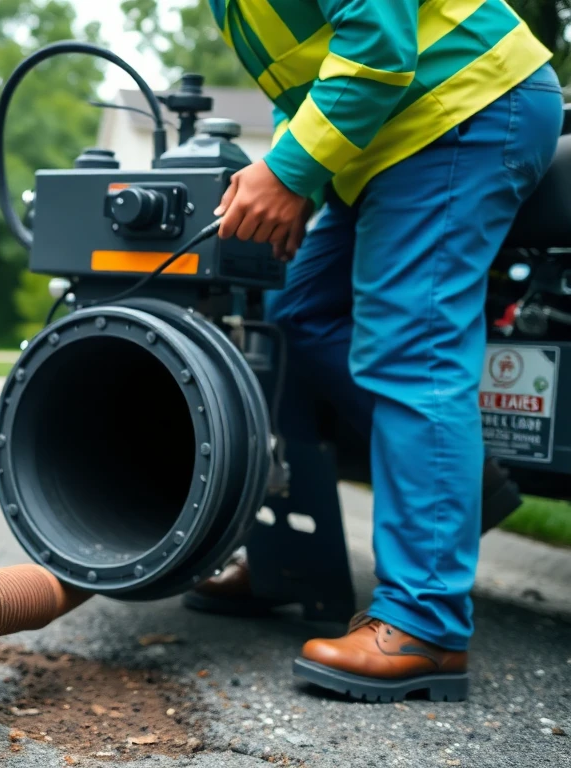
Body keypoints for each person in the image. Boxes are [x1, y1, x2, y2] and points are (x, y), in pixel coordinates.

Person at [194, 0, 562, 701]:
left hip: (463, 106)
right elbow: (304, 84)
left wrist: (291, 170)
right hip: (386, 138)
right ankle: (310, 556)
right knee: (293, 311)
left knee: (411, 349)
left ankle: (425, 624)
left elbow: (379, 39)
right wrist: (297, 168)